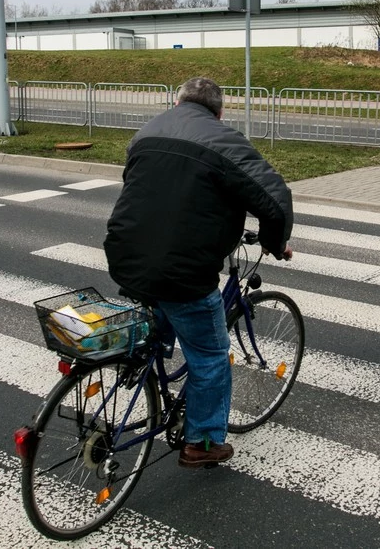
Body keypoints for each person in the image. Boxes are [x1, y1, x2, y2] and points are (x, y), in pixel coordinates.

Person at [104, 77, 294, 468]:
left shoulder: (146, 132)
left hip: (126, 255)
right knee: (210, 352)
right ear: (219, 112)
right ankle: (203, 442)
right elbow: (274, 198)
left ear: (176, 103)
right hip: (183, 270)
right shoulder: (223, 139)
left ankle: (147, 361)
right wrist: (276, 244)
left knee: (161, 305)